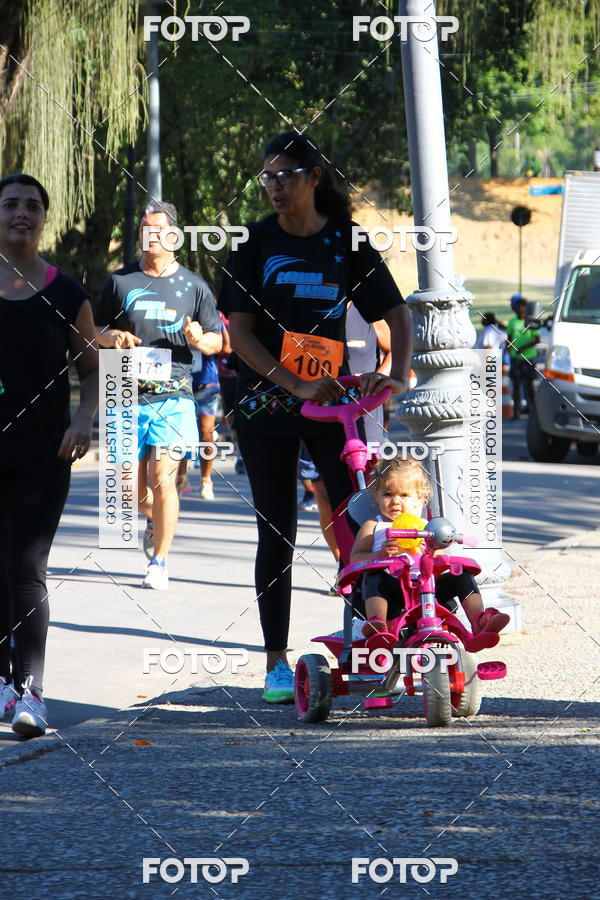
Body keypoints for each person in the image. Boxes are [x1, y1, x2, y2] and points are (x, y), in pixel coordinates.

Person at [219, 130, 412, 703]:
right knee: (277, 527)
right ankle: (277, 664)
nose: (275, 186)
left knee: (357, 523)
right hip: (266, 403)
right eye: (267, 177)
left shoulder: (345, 242)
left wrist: (396, 374)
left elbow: (398, 313)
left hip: (332, 404)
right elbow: (239, 333)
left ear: (313, 178)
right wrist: (292, 380)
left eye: (286, 175)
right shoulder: (253, 242)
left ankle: (367, 641)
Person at [0, 173, 98, 738]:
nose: (21, 213)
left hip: (44, 454)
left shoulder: (67, 293)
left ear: (43, 219)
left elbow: (91, 370)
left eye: (32, 206)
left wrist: (83, 420)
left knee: (26, 569)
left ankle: (29, 693)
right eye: (10, 203)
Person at [95, 201, 222, 589]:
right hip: (122, 389)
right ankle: (156, 517)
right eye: (144, 230)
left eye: (158, 230)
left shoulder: (195, 285)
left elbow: (218, 340)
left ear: (174, 237)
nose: (150, 236)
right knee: (125, 488)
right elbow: (94, 331)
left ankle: (160, 562)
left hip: (174, 393)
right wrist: (111, 336)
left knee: (163, 478)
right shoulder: (119, 282)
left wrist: (201, 338)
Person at [350, 457, 510, 637]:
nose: (395, 501)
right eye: (387, 494)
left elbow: (441, 559)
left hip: (428, 590)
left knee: (462, 575)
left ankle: (480, 620)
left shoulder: (426, 526)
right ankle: (377, 625)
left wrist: (431, 552)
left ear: (419, 498)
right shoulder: (373, 525)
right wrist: (380, 554)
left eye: (403, 495)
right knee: (374, 576)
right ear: (377, 495)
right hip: (392, 593)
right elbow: (354, 559)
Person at [506, 297, 540, 420]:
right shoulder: (512, 321)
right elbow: (509, 337)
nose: (520, 311)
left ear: (526, 310)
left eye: (522, 309)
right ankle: (516, 411)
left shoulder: (532, 322)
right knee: (516, 386)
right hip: (515, 358)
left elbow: (537, 340)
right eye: (518, 309)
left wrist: (524, 348)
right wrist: (508, 350)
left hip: (528, 358)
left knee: (529, 385)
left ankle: (533, 411)